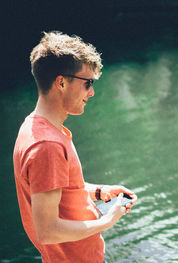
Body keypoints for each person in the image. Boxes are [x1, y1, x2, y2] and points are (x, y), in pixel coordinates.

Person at [13, 31, 137, 263]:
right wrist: (107, 221)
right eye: (87, 83)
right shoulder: (47, 145)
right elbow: (48, 231)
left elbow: (58, 189)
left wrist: (100, 191)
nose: (92, 92)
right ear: (61, 82)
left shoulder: (36, 128)